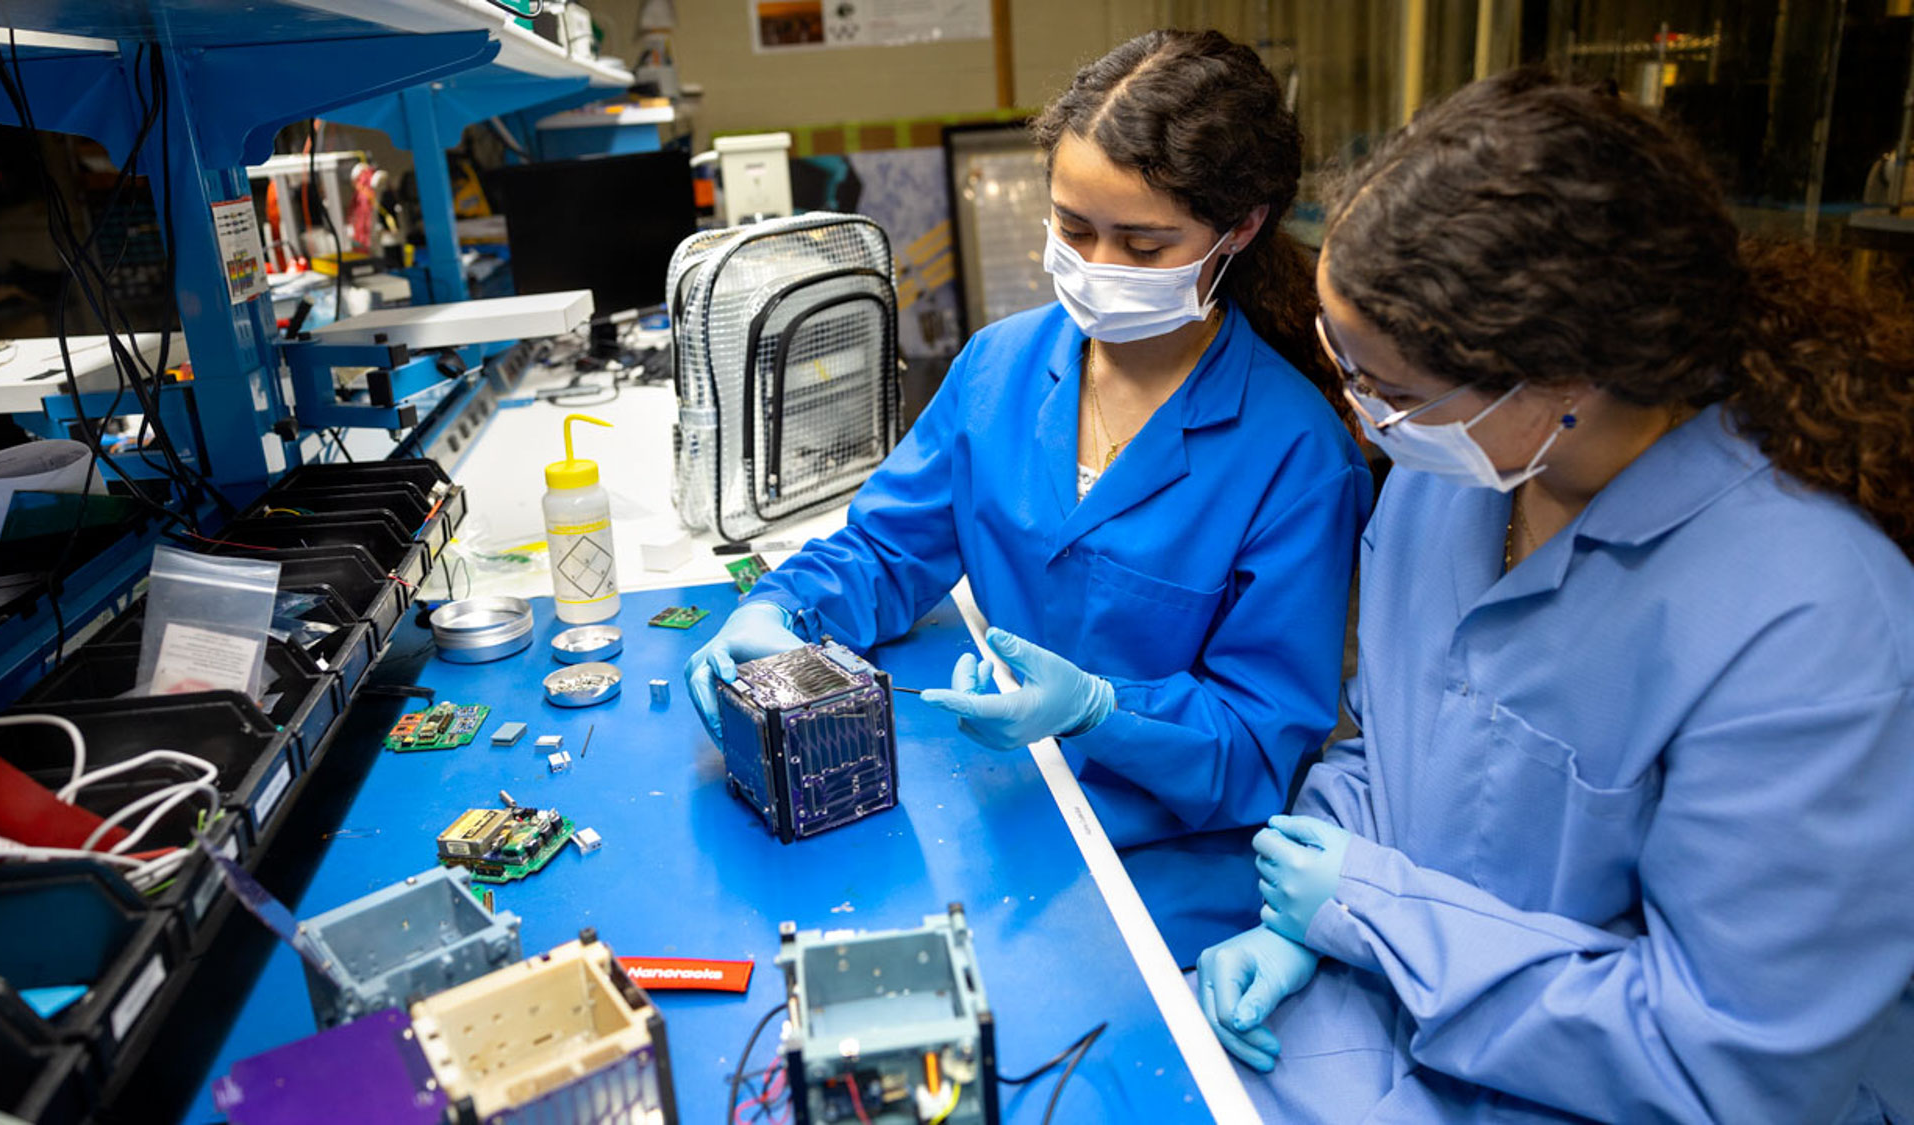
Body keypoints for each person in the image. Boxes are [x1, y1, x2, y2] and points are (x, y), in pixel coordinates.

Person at [1198, 70, 1914, 1123]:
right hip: (1391, 1034)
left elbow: (1735, 1066)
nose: (1361, 416)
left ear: (1561, 383)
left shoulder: (1815, 626)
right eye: (1337, 363)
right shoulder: (1454, 487)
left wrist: (1373, 915)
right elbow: (1393, 743)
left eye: (1386, 390)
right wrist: (1306, 895)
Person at [685, 29, 1373, 964]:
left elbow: (1257, 747)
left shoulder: (1297, 457)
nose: (1095, 265)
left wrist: (1099, 709)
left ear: (1241, 228)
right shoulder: (999, 366)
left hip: (1164, 863)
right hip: (1003, 799)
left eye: (1142, 243)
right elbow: (888, 552)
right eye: (1073, 228)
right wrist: (779, 609)